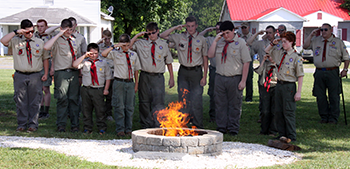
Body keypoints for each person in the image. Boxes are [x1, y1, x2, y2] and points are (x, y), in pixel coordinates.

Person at [0, 19, 49, 132]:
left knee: (35, 101)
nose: (30, 34)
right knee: (20, 100)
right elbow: (3, 41)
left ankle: (33, 124)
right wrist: (16, 32)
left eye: (32, 31)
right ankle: (21, 124)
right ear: (22, 31)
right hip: (20, 75)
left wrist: (45, 73)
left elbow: (45, 58)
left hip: (35, 75)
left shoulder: (39, 42)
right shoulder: (16, 41)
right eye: (27, 32)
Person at [160, 16, 208, 129]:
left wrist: (204, 76)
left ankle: (197, 125)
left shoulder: (201, 39)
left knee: (196, 99)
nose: (190, 29)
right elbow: (162, 35)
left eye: (192, 26)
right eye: (188, 26)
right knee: (183, 98)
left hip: (196, 72)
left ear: (196, 26)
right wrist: (176, 27)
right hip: (183, 71)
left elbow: (205, 58)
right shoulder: (179, 37)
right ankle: (183, 124)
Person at [207, 21, 251, 136]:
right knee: (220, 103)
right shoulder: (219, 42)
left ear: (233, 31)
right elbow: (210, 55)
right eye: (223, 33)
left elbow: (246, 62)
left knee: (234, 104)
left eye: (228, 33)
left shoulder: (241, 43)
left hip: (234, 78)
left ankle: (233, 128)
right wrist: (216, 41)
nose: (226, 35)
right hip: (220, 77)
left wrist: (243, 80)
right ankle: (221, 127)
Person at [129, 22, 174, 128]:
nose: (151, 35)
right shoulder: (141, 43)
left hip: (158, 77)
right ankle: (146, 124)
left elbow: (169, 62)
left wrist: (172, 77)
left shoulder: (163, 45)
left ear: (157, 31)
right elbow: (129, 46)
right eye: (148, 34)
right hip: (145, 76)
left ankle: (158, 124)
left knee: (158, 101)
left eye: (153, 33)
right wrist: (136, 36)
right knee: (144, 101)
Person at [303, 23, 349, 124]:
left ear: (330, 30)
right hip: (319, 71)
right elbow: (305, 46)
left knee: (334, 96)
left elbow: (346, 58)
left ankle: (333, 117)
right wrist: (311, 35)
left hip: (332, 71)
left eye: (325, 30)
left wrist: (345, 69)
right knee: (320, 96)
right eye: (322, 30)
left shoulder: (338, 42)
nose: (323, 32)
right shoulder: (316, 40)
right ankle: (324, 116)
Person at [265, 31, 304, 142]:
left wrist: (299, 92)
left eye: (285, 42)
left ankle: (291, 135)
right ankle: (282, 134)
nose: (283, 44)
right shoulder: (281, 54)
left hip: (289, 86)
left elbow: (300, 75)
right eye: (282, 42)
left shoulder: (296, 57)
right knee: (278, 111)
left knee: (288, 111)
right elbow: (267, 51)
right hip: (279, 85)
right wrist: (273, 43)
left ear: (291, 42)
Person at [44, 19, 81, 132]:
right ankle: (61, 124)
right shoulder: (57, 39)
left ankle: (75, 125)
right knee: (62, 99)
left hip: (73, 72)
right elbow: (46, 46)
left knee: (74, 99)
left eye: (70, 29)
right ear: (62, 29)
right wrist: (59, 31)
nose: (69, 32)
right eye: (67, 29)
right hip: (62, 73)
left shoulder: (74, 40)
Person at [101, 34, 141, 137]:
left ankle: (129, 128)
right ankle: (120, 129)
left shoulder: (133, 55)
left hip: (130, 82)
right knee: (119, 106)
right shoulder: (115, 53)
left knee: (130, 107)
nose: (126, 48)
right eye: (124, 45)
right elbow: (103, 54)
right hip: (119, 82)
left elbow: (136, 70)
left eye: (128, 45)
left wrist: (136, 84)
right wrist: (115, 46)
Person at [73, 43, 112, 134]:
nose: (94, 55)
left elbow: (108, 77)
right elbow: (75, 65)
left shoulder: (103, 63)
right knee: (86, 109)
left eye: (95, 53)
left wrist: (106, 89)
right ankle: (87, 128)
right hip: (86, 89)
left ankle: (102, 128)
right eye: (91, 53)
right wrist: (84, 56)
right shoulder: (84, 62)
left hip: (98, 89)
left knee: (100, 110)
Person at [247, 25, 278, 123]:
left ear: (274, 33)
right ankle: (263, 116)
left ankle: (273, 119)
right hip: (264, 72)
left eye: (270, 33)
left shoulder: (279, 43)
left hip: (275, 73)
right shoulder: (261, 43)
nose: (268, 35)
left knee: (274, 97)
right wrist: (257, 34)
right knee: (263, 96)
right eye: (267, 32)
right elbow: (249, 43)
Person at [199, 22, 221, 123]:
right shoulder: (211, 39)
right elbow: (198, 37)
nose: (218, 31)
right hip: (213, 69)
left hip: (224, 71)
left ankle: (223, 115)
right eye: (216, 29)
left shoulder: (228, 40)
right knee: (212, 93)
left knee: (223, 94)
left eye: (220, 29)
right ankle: (213, 115)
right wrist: (207, 30)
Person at [34, 19, 54, 119]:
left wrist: (52, 68)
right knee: (39, 89)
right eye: (38, 26)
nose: (40, 28)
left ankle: (46, 110)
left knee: (46, 88)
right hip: (37, 64)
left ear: (46, 27)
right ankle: (40, 110)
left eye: (42, 26)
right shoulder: (34, 36)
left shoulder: (50, 37)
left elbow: (53, 53)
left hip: (47, 63)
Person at [254, 54, 277, 136]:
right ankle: (264, 130)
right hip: (265, 87)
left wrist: (275, 62)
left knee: (274, 110)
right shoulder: (265, 64)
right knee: (265, 110)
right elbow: (258, 71)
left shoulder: (278, 64)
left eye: (272, 56)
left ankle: (273, 130)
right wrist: (263, 61)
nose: (270, 58)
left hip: (275, 87)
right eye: (268, 56)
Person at [97, 29, 115, 122]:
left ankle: (108, 113)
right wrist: (99, 41)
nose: (107, 40)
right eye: (105, 38)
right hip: (101, 73)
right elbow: (92, 50)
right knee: (100, 95)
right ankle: (100, 113)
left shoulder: (114, 47)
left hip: (111, 72)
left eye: (108, 38)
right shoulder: (99, 47)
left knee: (110, 95)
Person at [239, 22, 255, 102]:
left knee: (249, 79)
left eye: (245, 27)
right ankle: (239, 96)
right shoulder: (239, 37)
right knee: (239, 78)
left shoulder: (252, 37)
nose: (243, 29)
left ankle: (249, 97)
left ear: (248, 27)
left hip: (249, 59)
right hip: (240, 60)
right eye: (242, 28)